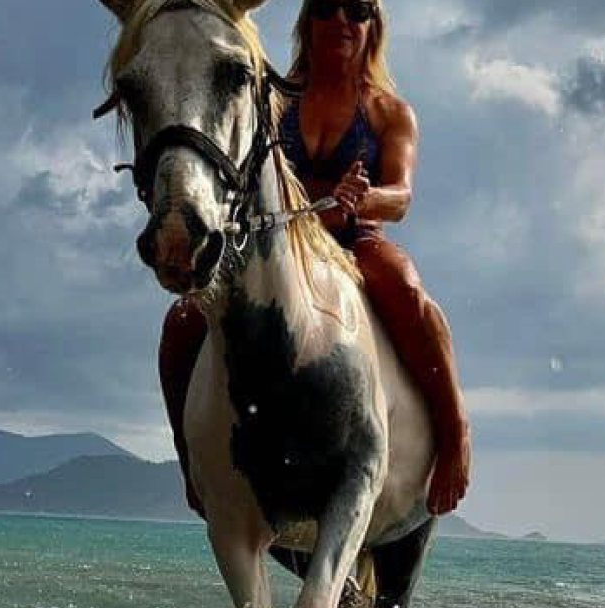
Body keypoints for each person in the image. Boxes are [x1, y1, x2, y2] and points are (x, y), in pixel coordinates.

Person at [158, 0, 471, 517]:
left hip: (355, 240)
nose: (342, 20)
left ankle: (455, 431)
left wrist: (360, 200)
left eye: (359, 9)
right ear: (308, 21)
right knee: (182, 320)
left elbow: (401, 197)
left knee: (407, 288)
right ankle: (189, 458)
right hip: (277, 244)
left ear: (374, 26)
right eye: (327, 6)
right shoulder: (274, 98)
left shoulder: (389, 112)